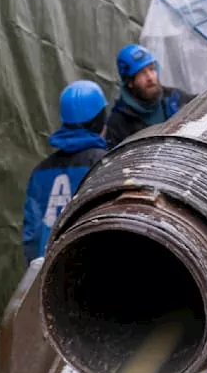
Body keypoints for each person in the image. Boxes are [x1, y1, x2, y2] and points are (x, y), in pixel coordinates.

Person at [22, 80, 109, 264]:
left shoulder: (40, 171)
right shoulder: (104, 164)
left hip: (45, 271)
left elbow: (31, 235)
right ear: (99, 121)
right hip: (89, 270)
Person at [105, 44, 194, 147]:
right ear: (130, 82)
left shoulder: (175, 98)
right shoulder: (118, 123)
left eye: (151, 69)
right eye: (142, 73)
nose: (150, 77)